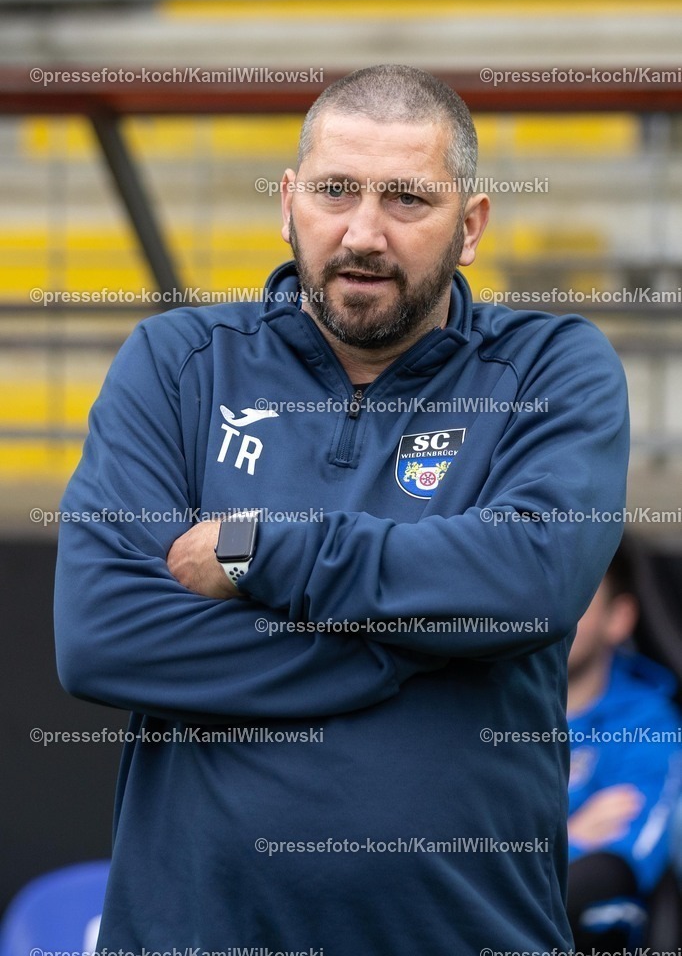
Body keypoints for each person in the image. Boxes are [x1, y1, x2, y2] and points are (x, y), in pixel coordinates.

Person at [54, 64, 630, 954]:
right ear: (288, 204)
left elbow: (530, 580)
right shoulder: (178, 363)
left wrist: (261, 552)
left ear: (470, 226)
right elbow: (103, 634)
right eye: (335, 191)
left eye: (407, 198)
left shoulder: (552, 368)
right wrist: (401, 647)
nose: (364, 233)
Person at [567, 542, 682, 949]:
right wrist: (570, 837)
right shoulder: (482, 710)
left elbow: (623, 862)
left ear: (619, 618)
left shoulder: (647, 723)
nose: (551, 610)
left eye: (576, 596)